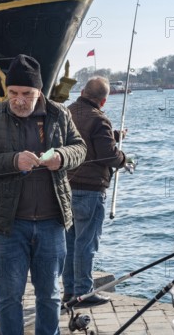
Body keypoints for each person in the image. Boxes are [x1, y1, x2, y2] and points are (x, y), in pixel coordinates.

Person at [0, 54, 86, 335]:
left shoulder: (60, 114)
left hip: (52, 223)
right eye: (13, 93)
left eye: (26, 93)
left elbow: (80, 148)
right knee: (9, 297)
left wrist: (62, 155)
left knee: (50, 297)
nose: (19, 100)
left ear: (40, 91)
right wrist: (13, 161)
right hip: (9, 226)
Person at [62, 76, 127, 306]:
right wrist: (124, 158)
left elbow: (84, 139)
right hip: (89, 192)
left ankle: (69, 292)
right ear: (103, 100)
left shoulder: (66, 113)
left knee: (70, 243)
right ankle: (84, 293)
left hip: (66, 188)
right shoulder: (100, 119)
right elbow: (108, 156)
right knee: (86, 244)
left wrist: (114, 136)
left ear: (82, 91)